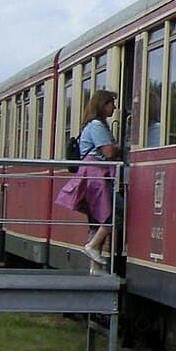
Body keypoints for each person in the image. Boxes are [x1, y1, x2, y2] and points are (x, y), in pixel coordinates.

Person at [55, 90, 119, 271]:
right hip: (96, 175)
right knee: (112, 216)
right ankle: (91, 247)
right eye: (111, 103)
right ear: (102, 104)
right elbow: (108, 152)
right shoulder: (97, 125)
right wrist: (119, 147)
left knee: (97, 220)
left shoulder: (93, 125)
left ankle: (95, 269)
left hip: (94, 174)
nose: (114, 106)